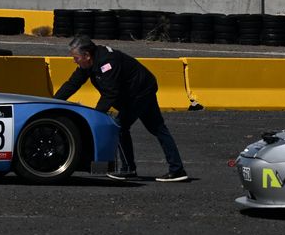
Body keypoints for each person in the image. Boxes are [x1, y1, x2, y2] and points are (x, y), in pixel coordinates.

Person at [54, 35, 188, 182]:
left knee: (120, 126)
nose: (74, 60)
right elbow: (72, 84)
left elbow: (110, 93)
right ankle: (177, 170)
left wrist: (96, 116)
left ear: (86, 55)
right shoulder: (89, 62)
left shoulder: (107, 62)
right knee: (157, 128)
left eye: (76, 57)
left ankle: (130, 169)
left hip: (140, 92)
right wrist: (53, 102)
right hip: (138, 90)